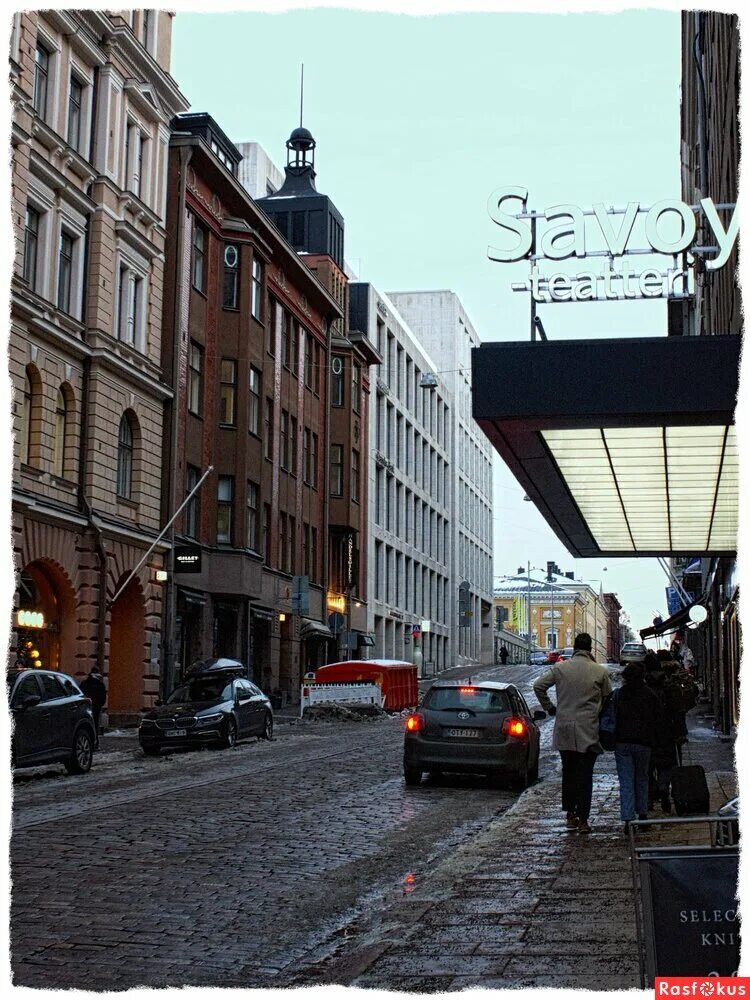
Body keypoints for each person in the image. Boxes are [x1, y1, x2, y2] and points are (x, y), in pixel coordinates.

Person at [533, 632, 612, 834]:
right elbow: (608, 698)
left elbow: (538, 685)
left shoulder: (561, 668)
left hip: (565, 727)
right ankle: (584, 819)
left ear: (575, 647)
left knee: (569, 772)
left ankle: (570, 815)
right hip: (589, 728)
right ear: (590, 648)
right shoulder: (599, 671)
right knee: (585, 776)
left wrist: (550, 707)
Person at [613, 662, 660, 834]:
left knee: (626, 782)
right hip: (644, 743)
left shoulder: (619, 695)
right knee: (642, 778)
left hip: (623, 742)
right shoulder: (650, 695)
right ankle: (643, 816)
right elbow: (657, 719)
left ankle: (627, 820)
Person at [80, 666, 107, 749]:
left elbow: (81, 694)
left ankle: (85, 743)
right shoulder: (100, 684)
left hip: (84, 707)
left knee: (84, 725)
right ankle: (94, 743)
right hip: (95, 708)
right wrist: (99, 705)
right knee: (94, 725)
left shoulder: (84, 683)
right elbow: (103, 698)